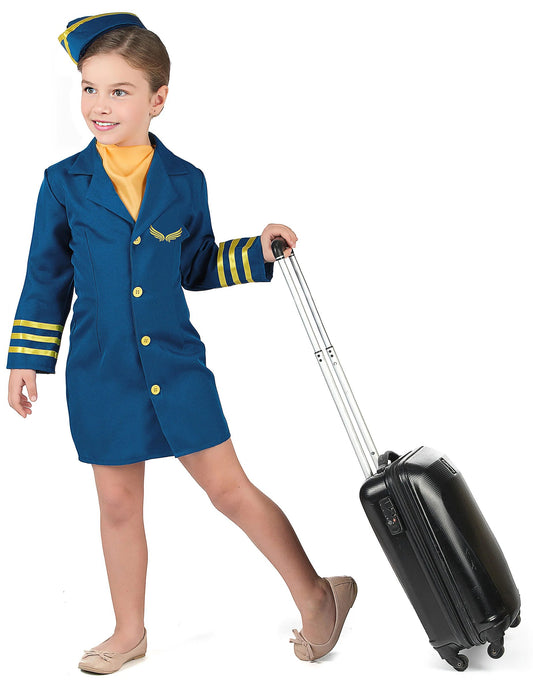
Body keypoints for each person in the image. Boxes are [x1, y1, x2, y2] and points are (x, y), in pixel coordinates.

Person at [6, 12, 356, 674]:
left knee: (229, 490)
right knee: (117, 505)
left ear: (157, 98)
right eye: (89, 88)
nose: (99, 105)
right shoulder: (62, 183)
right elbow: (45, 278)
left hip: (176, 365)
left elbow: (195, 264)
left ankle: (317, 595)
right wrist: (26, 359)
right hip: (101, 372)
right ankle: (128, 631)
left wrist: (256, 251)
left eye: (119, 91)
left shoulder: (185, 181)